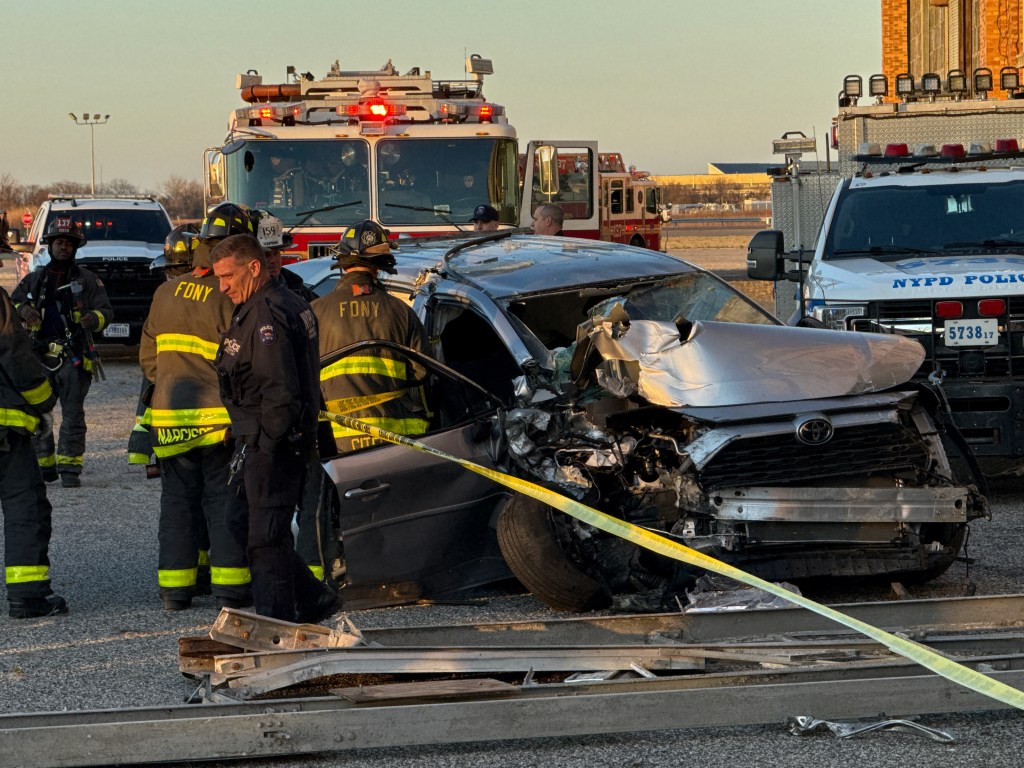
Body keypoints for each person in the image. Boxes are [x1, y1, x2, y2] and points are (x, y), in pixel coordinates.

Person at [212, 233, 341, 623]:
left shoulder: (268, 313)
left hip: (274, 445)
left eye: (228, 276)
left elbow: (280, 390)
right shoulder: (261, 305)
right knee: (239, 523)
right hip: (256, 441)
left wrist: (267, 445)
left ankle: (276, 626)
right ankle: (315, 599)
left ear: (254, 268)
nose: (222, 287)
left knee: (265, 540)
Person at [296, 220, 431, 579]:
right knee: (388, 508)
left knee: (325, 506)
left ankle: (319, 575)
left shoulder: (316, 311)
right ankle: (388, 571)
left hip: (332, 438)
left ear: (342, 263)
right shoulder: (401, 312)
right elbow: (421, 373)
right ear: (380, 266)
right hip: (390, 437)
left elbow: (301, 374)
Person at [139, 225, 251, 611]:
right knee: (223, 501)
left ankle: (175, 591)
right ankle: (230, 590)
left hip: (169, 418)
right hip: (217, 421)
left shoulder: (164, 293)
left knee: (177, 503)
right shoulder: (226, 294)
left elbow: (149, 363)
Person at [11, 218, 113, 487]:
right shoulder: (35, 280)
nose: (63, 248)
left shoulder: (89, 281)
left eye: (68, 243)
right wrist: (25, 311)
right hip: (39, 357)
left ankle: (70, 469)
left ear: (75, 247)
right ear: (50, 245)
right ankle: (45, 466)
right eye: (59, 242)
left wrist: (93, 318)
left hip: (75, 357)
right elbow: (14, 302)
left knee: (73, 414)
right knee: (39, 412)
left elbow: (107, 312)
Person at [0, 285, 67, 619]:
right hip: (4, 431)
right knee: (24, 506)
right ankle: (27, 596)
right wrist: (44, 400)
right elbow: (15, 355)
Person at [250, 209, 316, 303]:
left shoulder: (296, 287)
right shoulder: (243, 295)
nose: (273, 260)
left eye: (276, 253)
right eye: (266, 255)